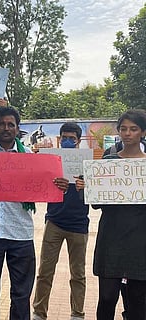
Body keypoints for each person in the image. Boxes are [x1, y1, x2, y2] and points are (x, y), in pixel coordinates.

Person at [0, 106, 67, 320]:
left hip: (21, 233)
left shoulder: (30, 157)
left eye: (11, 125)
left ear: (17, 129)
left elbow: (47, 183)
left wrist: (58, 185)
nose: (6, 128)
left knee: (21, 292)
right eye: (2, 124)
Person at [32, 122, 89, 320]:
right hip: (54, 222)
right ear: (59, 138)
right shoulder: (52, 160)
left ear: (79, 141)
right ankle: (39, 312)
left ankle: (77, 313)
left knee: (78, 274)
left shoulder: (86, 163)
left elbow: (95, 196)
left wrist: (85, 186)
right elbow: (37, 180)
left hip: (79, 224)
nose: (67, 141)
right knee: (45, 272)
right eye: (64, 137)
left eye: (72, 138)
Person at [93, 109, 146, 320]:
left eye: (133, 129)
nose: (127, 133)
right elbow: (97, 204)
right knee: (106, 299)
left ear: (142, 132)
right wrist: (87, 188)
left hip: (140, 241)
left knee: (138, 302)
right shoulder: (108, 161)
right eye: (123, 128)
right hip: (111, 238)